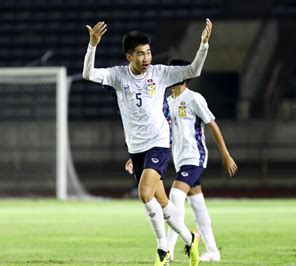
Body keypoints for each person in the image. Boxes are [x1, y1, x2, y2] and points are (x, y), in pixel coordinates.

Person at [83, 20, 212, 266]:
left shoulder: (160, 73)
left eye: (149, 52)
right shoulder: (118, 75)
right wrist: (92, 46)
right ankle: (190, 238)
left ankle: (163, 249)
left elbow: (193, 70)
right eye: (140, 53)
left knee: (144, 194)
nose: (146, 57)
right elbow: (88, 73)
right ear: (128, 56)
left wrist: (203, 45)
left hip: (159, 143)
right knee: (162, 203)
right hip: (136, 147)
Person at [125, 59, 237, 262]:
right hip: (178, 159)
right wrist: (135, 157)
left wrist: (226, 154)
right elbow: (156, 130)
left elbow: (212, 125)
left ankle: (169, 249)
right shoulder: (166, 101)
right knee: (197, 204)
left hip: (194, 157)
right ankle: (212, 250)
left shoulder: (194, 99)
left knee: (175, 197)